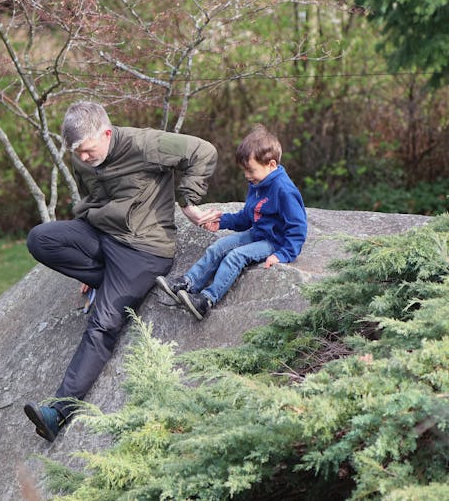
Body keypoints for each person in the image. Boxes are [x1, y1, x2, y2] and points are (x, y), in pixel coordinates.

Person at [23, 100, 218, 443]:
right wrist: (88, 271)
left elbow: (203, 151)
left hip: (143, 250)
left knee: (104, 322)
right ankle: (104, 279)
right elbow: (93, 198)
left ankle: (58, 412)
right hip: (103, 236)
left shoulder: (145, 144)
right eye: (76, 152)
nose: (82, 158)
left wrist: (188, 202)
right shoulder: (84, 158)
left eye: (86, 149)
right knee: (41, 239)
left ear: (107, 133)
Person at [156, 124, 306, 321]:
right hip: (257, 233)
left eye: (250, 170)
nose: (246, 175)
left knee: (235, 256)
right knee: (219, 245)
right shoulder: (258, 183)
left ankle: (206, 301)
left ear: (271, 164)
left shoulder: (284, 190)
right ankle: (189, 283)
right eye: (245, 170)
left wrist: (283, 254)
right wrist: (223, 221)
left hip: (274, 241)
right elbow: (247, 217)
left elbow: (298, 228)